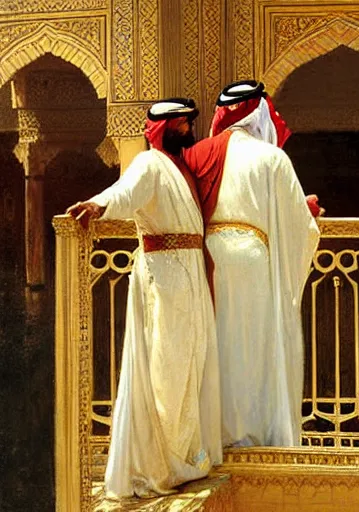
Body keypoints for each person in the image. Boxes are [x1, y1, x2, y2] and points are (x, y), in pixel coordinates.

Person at [66, 98, 222, 498]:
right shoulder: (150, 164)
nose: (188, 130)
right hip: (166, 273)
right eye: (182, 125)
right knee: (167, 367)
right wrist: (97, 205)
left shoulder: (178, 168)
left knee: (189, 362)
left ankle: (183, 455)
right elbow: (125, 192)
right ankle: (162, 464)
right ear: (164, 127)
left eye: (189, 124)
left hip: (188, 271)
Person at [183, 80, 321, 448]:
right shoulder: (271, 158)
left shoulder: (199, 153)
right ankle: (253, 435)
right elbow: (298, 224)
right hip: (252, 256)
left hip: (209, 256)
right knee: (253, 346)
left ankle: (215, 434)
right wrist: (308, 211)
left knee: (218, 344)